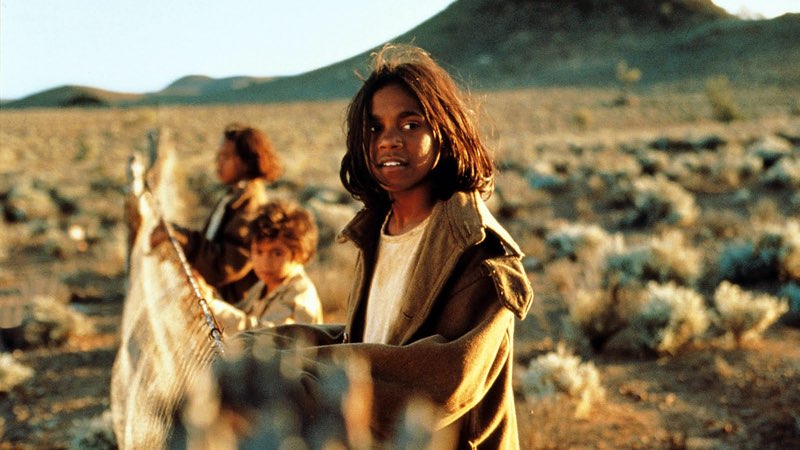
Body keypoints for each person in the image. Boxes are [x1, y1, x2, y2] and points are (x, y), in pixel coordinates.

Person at [216, 44, 533, 449]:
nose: (389, 141)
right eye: (375, 128)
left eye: (410, 124)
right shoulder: (378, 232)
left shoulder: (479, 250)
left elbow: (446, 379)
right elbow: (365, 342)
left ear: (445, 132)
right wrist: (261, 346)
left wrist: (302, 375)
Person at [151, 124, 282, 304]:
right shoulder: (235, 195)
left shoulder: (251, 205)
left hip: (233, 308)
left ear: (246, 160)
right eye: (219, 156)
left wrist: (182, 239)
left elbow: (226, 265)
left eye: (226, 156)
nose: (218, 163)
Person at [208, 199, 323, 336]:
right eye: (259, 252)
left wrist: (213, 305)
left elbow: (263, 336)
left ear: (299, 254)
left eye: (277, 253)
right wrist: (209, 295)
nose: (265, 262)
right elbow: (241, 314)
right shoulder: (264, 285)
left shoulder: (299, 296)